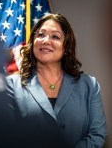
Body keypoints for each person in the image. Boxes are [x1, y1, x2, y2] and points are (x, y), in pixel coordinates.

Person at [6, 13, 107, 148]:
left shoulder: (89, 85)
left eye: (55, 36)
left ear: (66, 47)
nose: (46, 41)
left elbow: (97, 134)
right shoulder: (11, 85)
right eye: (41, 34)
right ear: (33, 42)